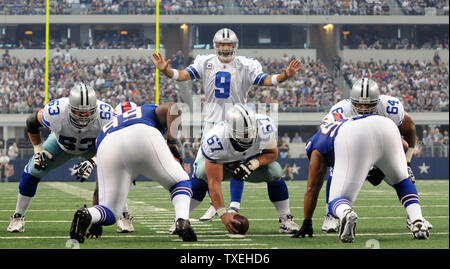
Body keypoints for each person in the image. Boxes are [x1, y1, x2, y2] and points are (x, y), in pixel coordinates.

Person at [151, 28, 302, 222]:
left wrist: (284, 76)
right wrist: (165, 70)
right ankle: (189, 216)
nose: (225, 48)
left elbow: (266, 80)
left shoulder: (246, 64)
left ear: (234, 46)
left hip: (238, 123)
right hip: (213, 123)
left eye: (228, 45)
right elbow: (181, 76)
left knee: (240, 162)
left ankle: (233, 207)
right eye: (222, 44)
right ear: (216, 46)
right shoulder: (205, 62)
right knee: (200, 171)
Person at [69, 102, 197, 243]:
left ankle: (88, 214)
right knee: (180, 181)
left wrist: (96, 225)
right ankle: (182, 221)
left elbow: (98, 190)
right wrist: (172, 143)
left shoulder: (102, 132)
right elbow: (174, 108)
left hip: (107, 144)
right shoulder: (145, 110)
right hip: (143, 134)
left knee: (110, 211)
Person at [292, 114, 430, 242]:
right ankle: (417, 221)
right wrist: (381, 168)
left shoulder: (317, 146)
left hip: (353, 137)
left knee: (336, 200)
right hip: (386, 125)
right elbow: (404, 145)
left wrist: (307, 222)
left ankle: (346, 213)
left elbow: (312, 188)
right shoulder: (343, 123)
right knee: (401, 180)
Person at [320, 77, 431, 233]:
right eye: (359, 103)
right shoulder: (341, 110)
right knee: (334, 172)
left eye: (369, 104)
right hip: (354, 154)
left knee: (404, 177)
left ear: (378, 101)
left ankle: (414, 218)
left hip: (383, 153)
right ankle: (330, 217)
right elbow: (333, 142)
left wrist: (407, 160)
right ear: (351, 101)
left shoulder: (390, 107)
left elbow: (410, 130)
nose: (364, 108)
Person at [7, 83, 113, 233]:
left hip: (94, 148)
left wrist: (93, 161)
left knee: (114, 172)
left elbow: (112, 144)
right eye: (79, 112)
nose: (84, 116)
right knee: (34, 170)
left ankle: (123, 215)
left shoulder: (106, 114)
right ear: (70, 108)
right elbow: (31, 121)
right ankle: (18, 216)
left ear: (95, 109)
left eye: (88, 112)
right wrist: (38, 150)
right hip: (61, 146)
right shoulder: (56, 111)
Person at [185, 105, 299, 234]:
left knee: (275, 171)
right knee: (202, 174)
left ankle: (285, 219)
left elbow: (272, 153)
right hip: (222, 164)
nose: (248, 136)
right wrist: (223, 214)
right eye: (243, 133)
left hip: (248, 161)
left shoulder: (265, 126)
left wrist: (253, 164)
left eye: (250, 131)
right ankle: (182, 218)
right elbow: (214, 183)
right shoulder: (216, 140)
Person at [71, 101, 138, 238]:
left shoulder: (148, 130)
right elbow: (98, 189)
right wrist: (97, 224)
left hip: (140, 151)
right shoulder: (107, 136)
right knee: (117, 180)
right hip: (115, 154)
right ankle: (123, 215)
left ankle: (181, 217)